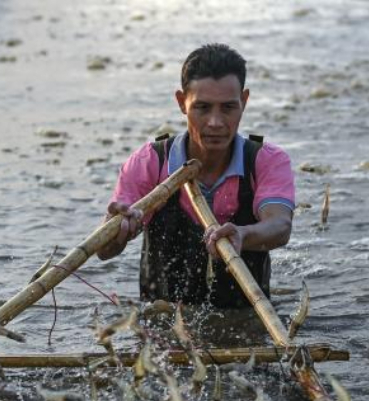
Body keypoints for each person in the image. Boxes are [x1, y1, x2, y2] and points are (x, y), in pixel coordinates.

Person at [99, 44, 295, 307]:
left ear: (244, 101)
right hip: (163, 325)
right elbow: (104, 251)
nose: (215, 122)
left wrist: (243, 234)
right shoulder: (149, 162)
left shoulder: (266, 161)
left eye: (228, 108)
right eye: (202, 107)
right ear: (182, 103)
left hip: (245, 319)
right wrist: (116, 229)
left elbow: (280, 227)